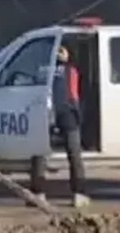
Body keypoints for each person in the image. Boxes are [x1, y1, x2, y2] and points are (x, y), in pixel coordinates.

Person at [29, 43, 89, 208]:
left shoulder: (41, 70)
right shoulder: (71, 71)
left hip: (44, 114)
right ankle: (79, 194)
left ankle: (38, 194)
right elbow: (73, 94)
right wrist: (78, 117)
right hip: (66, 114)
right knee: (74, 154)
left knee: (40, 154)